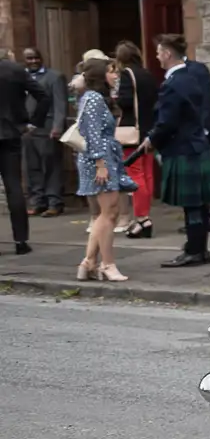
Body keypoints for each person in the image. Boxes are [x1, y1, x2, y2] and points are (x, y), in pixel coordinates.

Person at [140, 33, 210, 268]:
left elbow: (167, 121)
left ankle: (195, 251)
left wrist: (152, 139)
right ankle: (199, 249)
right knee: (199, 204)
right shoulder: (191, 76)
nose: (157, 57)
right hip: (196, 145)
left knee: (192, 206)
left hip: (184, 148)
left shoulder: (173, 84)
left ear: (167, 53)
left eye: (158, 53)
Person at [71, 57, 134, 282]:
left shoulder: (91, 98)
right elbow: (94, 135)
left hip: (103, 158)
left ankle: (89, 262)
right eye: (111, 72)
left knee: (107, 213)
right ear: (100, 75)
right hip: (100, 160)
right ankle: (106, 264)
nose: (115, 75)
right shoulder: (94, 99)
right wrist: (101, 164)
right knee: (109, 213)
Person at [0, 45, 44, 255]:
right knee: (14, 186)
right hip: (11, 133)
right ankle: (20, 241)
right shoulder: (15, 70)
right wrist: (33, 123)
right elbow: (42, 96)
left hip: (9, 132)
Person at [113, 41, 158, 238]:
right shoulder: (147, 74)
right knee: (147, 175)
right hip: (149, 130)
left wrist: (114, 96)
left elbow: (125, 102)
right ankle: (145, 216)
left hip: (132, 131)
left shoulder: (126, 74)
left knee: (136, 175)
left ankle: (142, 219)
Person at [21, 47, 64, 217]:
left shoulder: (54, 77)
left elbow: (60, 103)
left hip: (47, 127)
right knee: (31, 167)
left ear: (41, 58)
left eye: (35, 58)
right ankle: (37, 202)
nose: (33, 61)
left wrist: (58, 126)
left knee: (51, 166)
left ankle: (54, 202)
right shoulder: (20, 77)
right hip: (26, 130)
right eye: (29, 58)